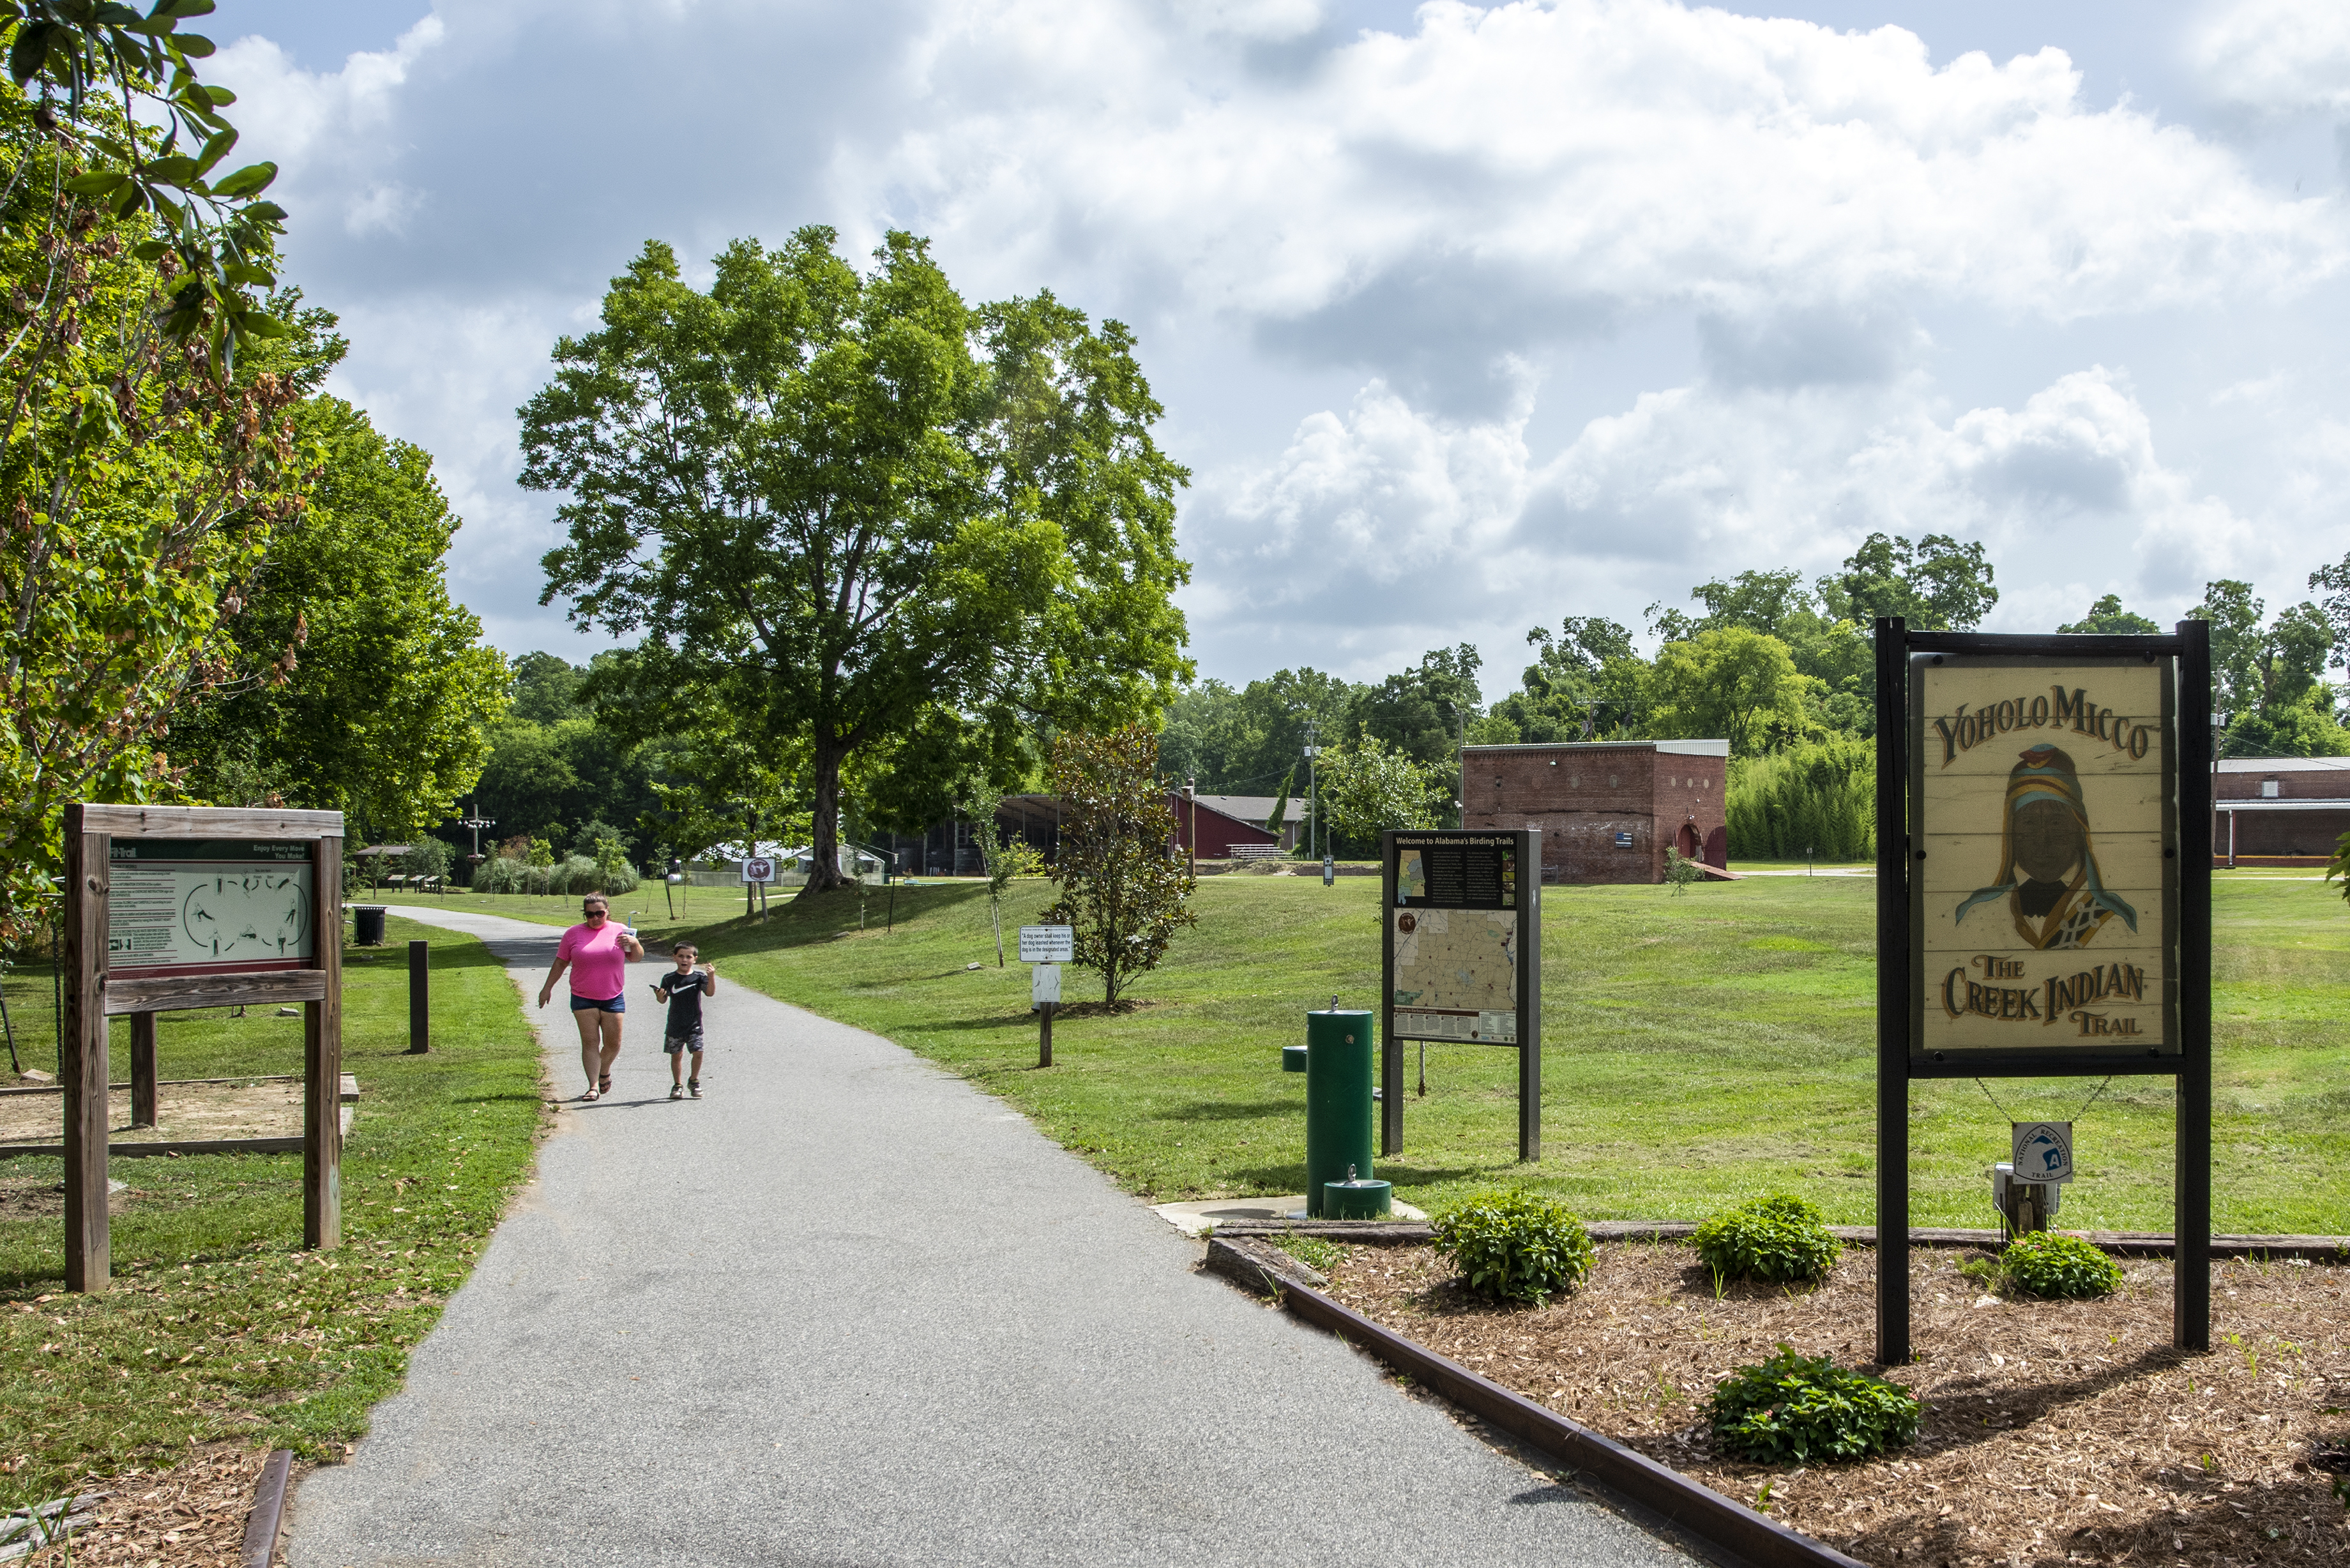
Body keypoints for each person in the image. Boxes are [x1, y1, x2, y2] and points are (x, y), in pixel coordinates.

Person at [1953, 744, 2138, 951]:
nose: (2042, 839)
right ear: (2010, 831)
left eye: (2057, 822)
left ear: (2080, 828)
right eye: (2029, 822)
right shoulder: (1977, 915)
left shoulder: (2115, 922)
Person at [538, 893, 645, 1100]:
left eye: (600, 913)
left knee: (614, 1044)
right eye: (590, 915)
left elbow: (636, 958)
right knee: (590, 1042)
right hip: (582, 996)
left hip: (613, 995)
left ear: (607, 912)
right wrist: (547, 988)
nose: (595, 918)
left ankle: (604, 1070)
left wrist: (635, 943)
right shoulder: (573, 934)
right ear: (585, 915)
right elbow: (561, 962)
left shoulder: (620, 930)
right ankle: (593, 1086)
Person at [651, 944, 718, 1099]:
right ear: (674, 958)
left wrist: (711, 977)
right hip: (675, 1024)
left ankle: (694, 1081)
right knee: (677, 1055)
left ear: (695, 959)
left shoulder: (699, 977)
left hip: (694, 1023)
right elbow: (663, 999)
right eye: (681, 956)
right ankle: (678, 1085)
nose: (684, 960)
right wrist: (659, 996)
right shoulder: (669, 978)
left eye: (689, 957)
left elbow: (710, 993)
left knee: (698, 1052)